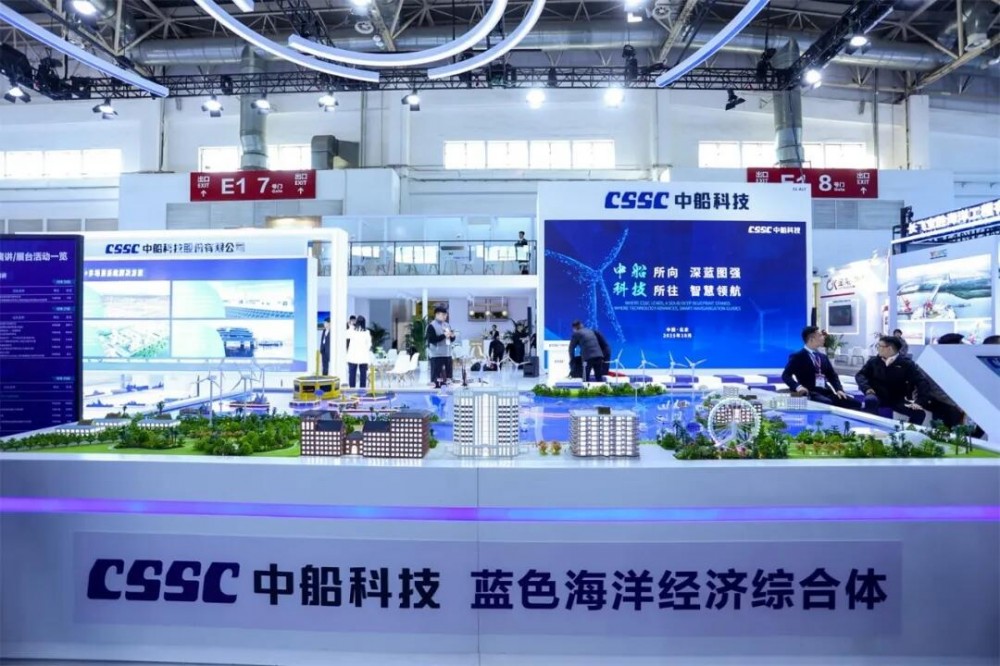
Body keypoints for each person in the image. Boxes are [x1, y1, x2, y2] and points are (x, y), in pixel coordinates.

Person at [782, 326, 862, 411]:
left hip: (826, 392)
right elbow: (786, 375)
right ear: (811, 339)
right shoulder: (798, 356)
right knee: (827, 403)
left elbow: (832, 375)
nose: (824, 337)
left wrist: (839, 389)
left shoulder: (823, 357)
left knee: (855, 404)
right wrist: (798, 387)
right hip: (811, 392)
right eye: (820, 335)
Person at [855, 336, 931, 424]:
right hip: (876, 394)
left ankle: (908, 431)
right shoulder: (873, 361)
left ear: (889, 348)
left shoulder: (906, 364)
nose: (877, 348)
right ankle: (873, 426)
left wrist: (919, 402)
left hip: (897, 399)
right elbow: (860, 375)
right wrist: (867, 388)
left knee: (919, 413)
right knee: (870, 400)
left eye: (879, 346)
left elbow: (922, 382)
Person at [426, 305, 456, 384]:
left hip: (448, 354)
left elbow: (451, 339)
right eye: (443, 315)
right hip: (437, 356)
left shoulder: (447, 325)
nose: (445, 316)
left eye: (446, 315)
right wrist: (444, 335)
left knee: (448, 378)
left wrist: (452, 336)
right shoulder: (431, 326)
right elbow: (432, 340)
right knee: (437, 379)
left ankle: (448, 389)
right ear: (437, 314)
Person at [346, 316, 372, 389]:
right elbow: (369, 344)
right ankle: (362, 391)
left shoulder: (352, 331)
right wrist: (364, 349)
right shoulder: (367, 332)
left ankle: (352, 390)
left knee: (352, 374)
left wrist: (350, 326)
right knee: (363, 374)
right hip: (363, 356)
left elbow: (346, 335)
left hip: (353, 356)